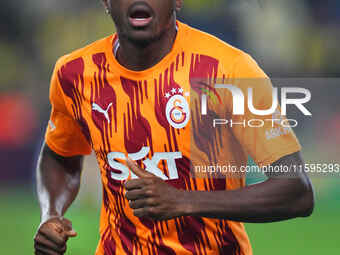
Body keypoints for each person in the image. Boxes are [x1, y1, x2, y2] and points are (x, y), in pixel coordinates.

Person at [34, 0, 314, 254]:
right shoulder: (75, 74)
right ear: (106, 2)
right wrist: (51, 214)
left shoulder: (228, 69)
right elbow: (60, 154)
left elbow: (296, 190)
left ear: (177, 1)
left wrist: (182, 201)